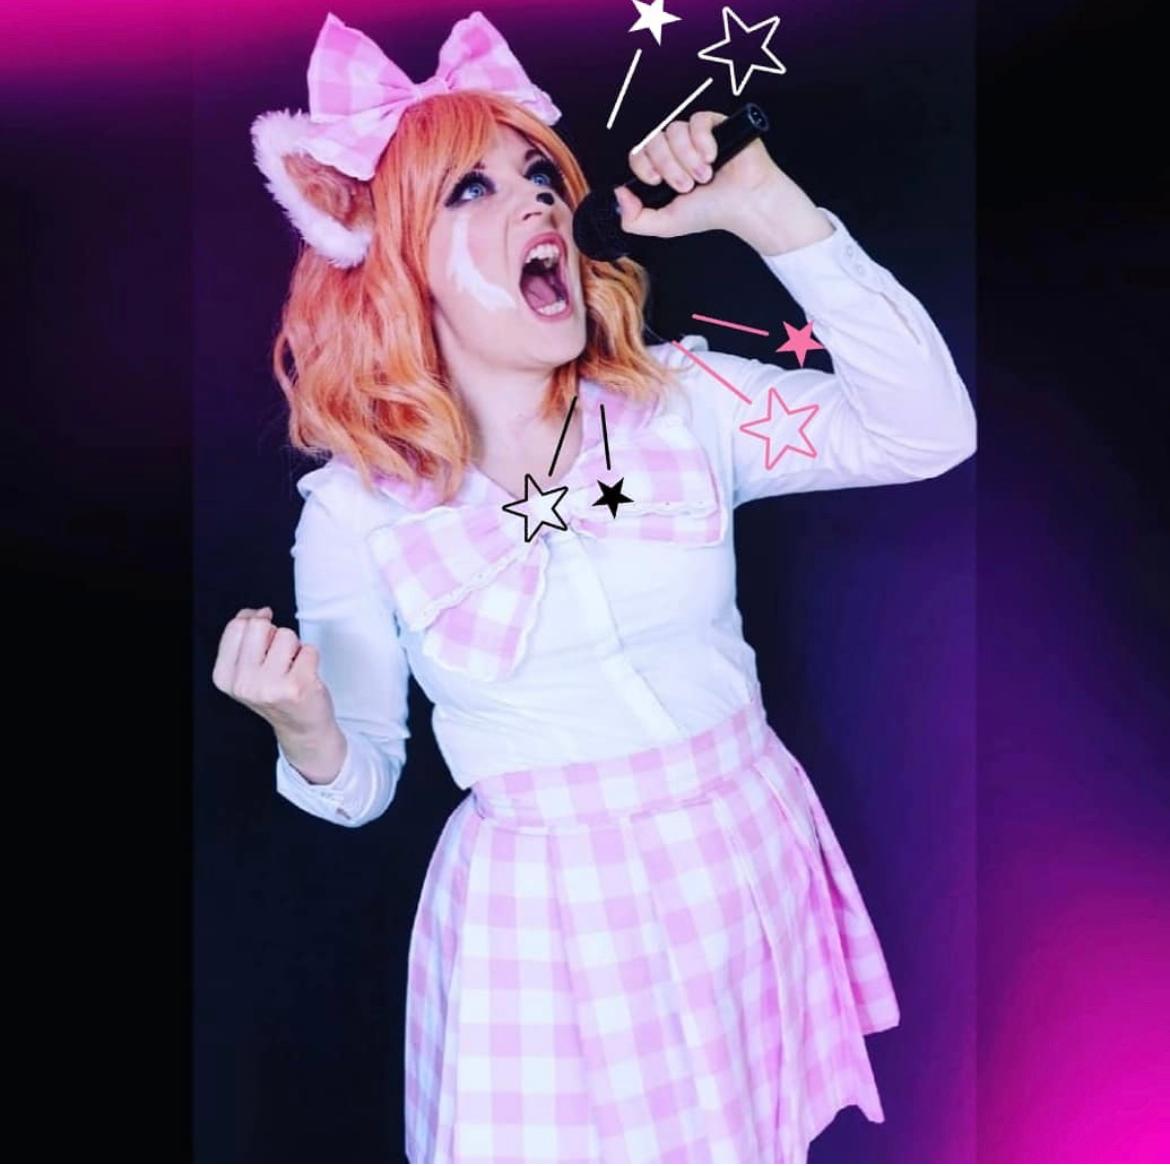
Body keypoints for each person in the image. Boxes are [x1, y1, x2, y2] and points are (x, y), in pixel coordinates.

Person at [212, 9, 976, 1163]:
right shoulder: (358, 511)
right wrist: (304, 725)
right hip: (548, 920)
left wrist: (769, 209)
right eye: (471, 189)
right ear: (396, 263)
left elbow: (930, 430)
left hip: (744, 853)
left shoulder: (682, 401)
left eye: (538, 176)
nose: (537, 204)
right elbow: (358, 784)